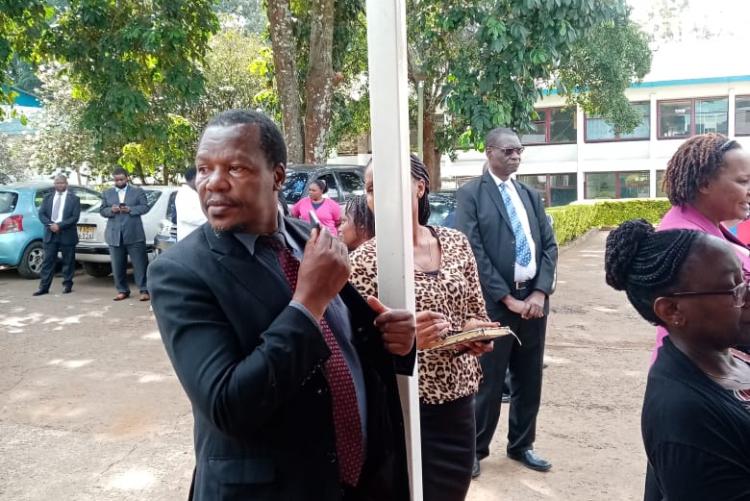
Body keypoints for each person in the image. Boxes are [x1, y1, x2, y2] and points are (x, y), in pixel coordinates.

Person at [148, 109, 416, 501]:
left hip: (359, 479)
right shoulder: (180, 272)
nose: (214, 184)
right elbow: (227, 405)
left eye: (235, 168)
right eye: (203, 169)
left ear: (277, 176)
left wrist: (393, 340)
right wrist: (308, 303)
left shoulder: (309, 236)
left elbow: (341, 345)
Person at [350, 154, 495, 501]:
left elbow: (475, 310)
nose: (379, 196)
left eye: (389, 185)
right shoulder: (363, 262)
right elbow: (355, 348)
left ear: (420, 187)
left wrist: (474, 334)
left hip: (458, 404)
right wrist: (408, 340)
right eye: (371, 189)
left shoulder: (456, 243)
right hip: (404, 408)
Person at [604, 220, 750, 500]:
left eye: (744, 281)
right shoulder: (685, 415)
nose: (747, 295)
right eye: (734, 290)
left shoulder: (730, 353)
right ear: (672, 310)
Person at [456, 127, 558, 475]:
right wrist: (506, 298)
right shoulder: (471, 194)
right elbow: (474, 251)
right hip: (495, 306)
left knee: (529, 378)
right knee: (487, 381)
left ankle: (521, 445)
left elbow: (549, 246)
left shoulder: (529, 195)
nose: (515, 156)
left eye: (519, 151)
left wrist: (540, 292)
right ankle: (474, 451)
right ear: (489, 152)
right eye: (508, 151)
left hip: (533, 302)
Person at [653, 133, 750, 361]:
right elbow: (717, 320)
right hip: (706, 376)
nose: (749, 189)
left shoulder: (705, 224)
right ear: (705, 183)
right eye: (743, 181)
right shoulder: (690, 243)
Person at [100, 167, 150, 302]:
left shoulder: (137, 191)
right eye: (116, 179)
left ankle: (144, 290)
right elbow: (102, 210)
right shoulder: (107, 193)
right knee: (117, 265)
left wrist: (130, 209)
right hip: (114, 234)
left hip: (134, 233)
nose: (119, 182)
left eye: (121, 179)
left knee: (140, 263)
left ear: (127, 178)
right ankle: (122, 290)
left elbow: (145, 207)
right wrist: (111, 210)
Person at [33, 175, 81, 296]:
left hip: (67, 233)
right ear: (54, 184)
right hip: (50, 233)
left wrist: (59, 225)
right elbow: (42, 214)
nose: (59, 185)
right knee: (48, 261)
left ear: (66, 184)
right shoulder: (48, 197)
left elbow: (75, 217)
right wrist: (50, 224)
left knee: (68, 261)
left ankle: (67, 285)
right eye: (57, 183)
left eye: (61, 183)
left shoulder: (74, 199)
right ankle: (43, 287)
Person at [175, 167, 207, 241]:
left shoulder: (195, 193)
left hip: (198, 239)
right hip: (190, 239)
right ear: (194, 178)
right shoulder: (184, 194)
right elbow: (186, 216)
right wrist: (210, 220)